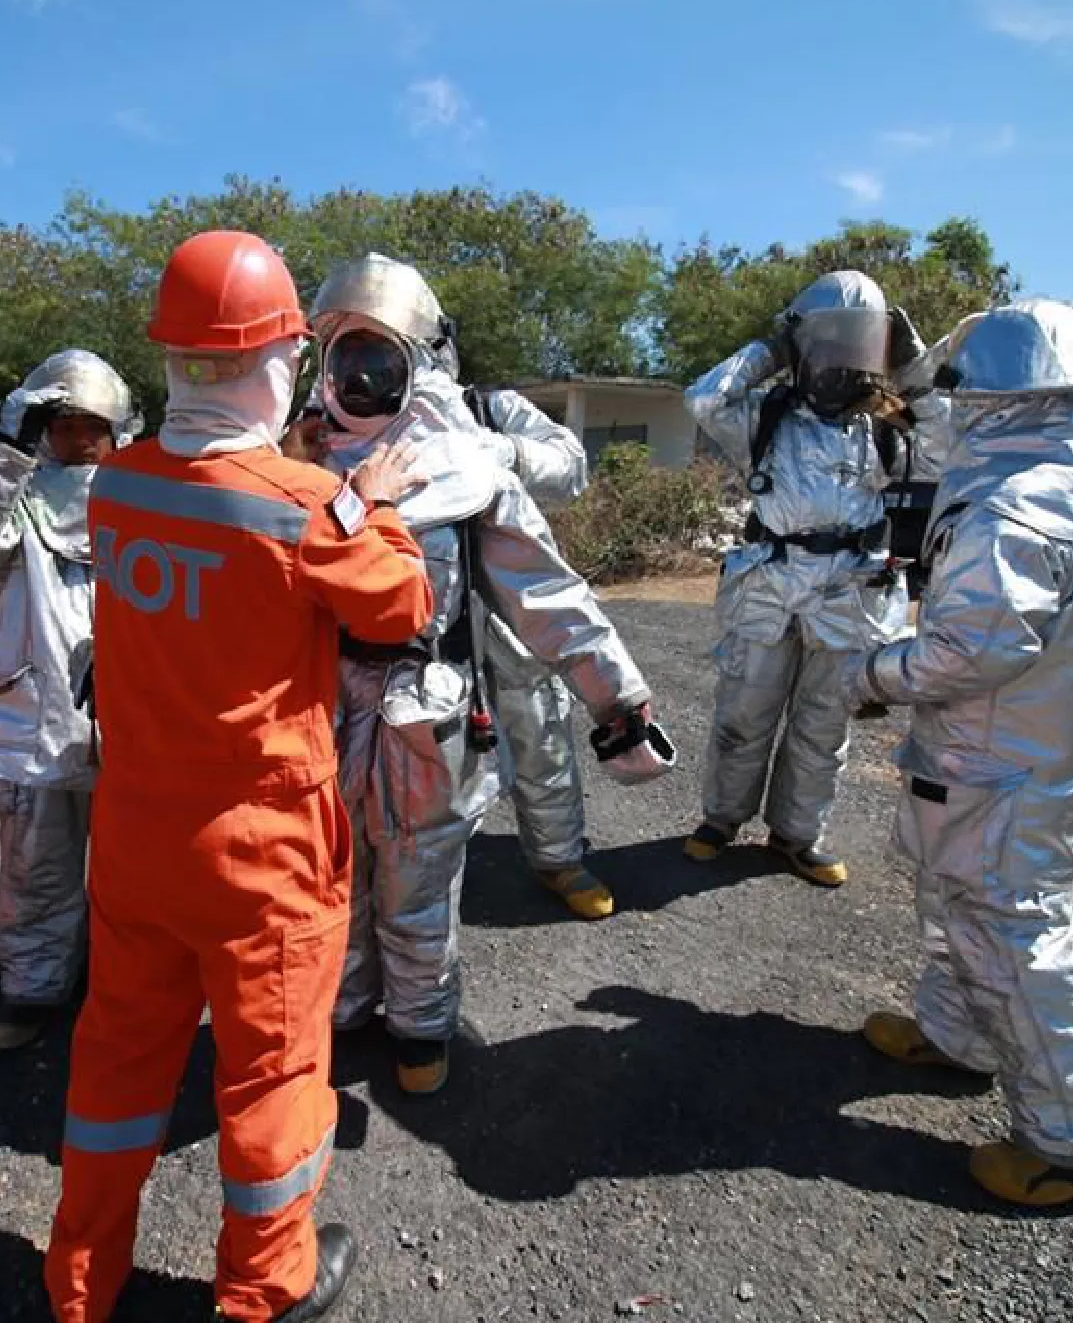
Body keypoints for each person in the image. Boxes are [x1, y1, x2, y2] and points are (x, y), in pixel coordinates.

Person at [44, 230, 434, 1323]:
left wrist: (300, 473)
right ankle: (266, 1286)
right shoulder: (307, 506)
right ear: (280, 361)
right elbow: (398, 604)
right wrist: (370, 498)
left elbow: (213, 501)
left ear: (172, 357)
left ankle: (79, 1280)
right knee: (271, 1074)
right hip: (261, 850)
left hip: (136, 836)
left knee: (119, 1057)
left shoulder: (117, 486)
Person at [307, 252, 671, 1097]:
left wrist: (616, 696)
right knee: (332, 872)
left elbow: (545, 591)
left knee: (418, 878)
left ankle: (421, 1026)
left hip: (425, 705)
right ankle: (344, 1008)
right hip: (319, 710)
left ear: (420, 356)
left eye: (377, 355)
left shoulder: (468, 463)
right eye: (344, 355)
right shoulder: (296, 457)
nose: (360, 377)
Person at [844, 300, 1073, 1207]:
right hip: (1028, 746)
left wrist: (872, 671)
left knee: (1013, 926)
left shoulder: (1013, 510)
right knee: (959, 897)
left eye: (965, 396)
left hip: (1001, 754)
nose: (954, 410)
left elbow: (969, 650)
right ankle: (959, 1035)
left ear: (1003, 402)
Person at [680, 270, 935, 887]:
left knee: (823, 724)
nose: (843, 360)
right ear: (803, 345)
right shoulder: (765, 417)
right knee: (744, 711)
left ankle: (797, 835)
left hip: (850, 588)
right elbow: (704, 399)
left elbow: (953, 445)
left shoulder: (886, 427)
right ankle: (722, 818)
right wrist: (769, 349)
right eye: (829, 341)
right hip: (771, 580)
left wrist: (915, 367)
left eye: (859, 342)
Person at [0, 349, 141, 1050]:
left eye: (92, 426)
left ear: (117, 431)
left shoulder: (145, 499)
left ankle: (125, 985)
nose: (78, 440)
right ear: (37, 430)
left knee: (133, 870)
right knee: (35, 865)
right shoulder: (7, 500)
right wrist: (4, 453)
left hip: (132, 720)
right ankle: (34, 987)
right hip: (32, 716)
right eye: (62, 425)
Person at [461, 384, 613, 920]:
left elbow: (571, 467)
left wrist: (507, 450)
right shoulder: (349, 400)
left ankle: (558, 858)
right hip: (415, 610)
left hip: (509, 601)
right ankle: (397, 876)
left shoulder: (489, 407)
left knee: (540, 730)